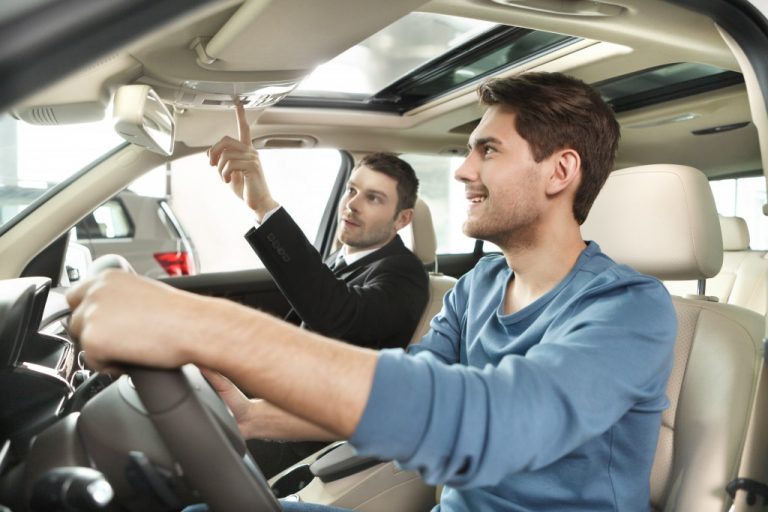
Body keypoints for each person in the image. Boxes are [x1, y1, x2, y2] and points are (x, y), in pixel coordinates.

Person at [67, 72, 677, 512]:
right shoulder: (481, 286)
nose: (463, 170)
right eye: (468, 151)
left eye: (487, 150)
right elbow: (407, 394)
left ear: (560, 172)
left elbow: (491, 422)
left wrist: (202, 325)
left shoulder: (629, 309)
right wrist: (254, 419)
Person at [206, 107, 429, 476]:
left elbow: (337, 314)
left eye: (373, 198)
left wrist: (265, 206)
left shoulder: (405, 276)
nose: (352, 204)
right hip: (278, 403)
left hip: (311, 441)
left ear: (402, 219)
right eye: (352, 189)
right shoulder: (343, 259)